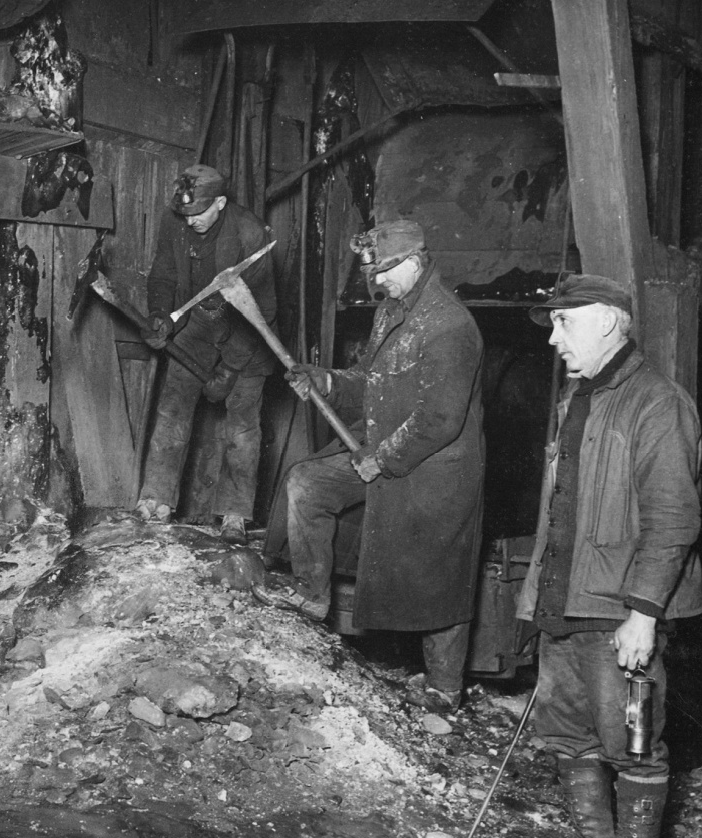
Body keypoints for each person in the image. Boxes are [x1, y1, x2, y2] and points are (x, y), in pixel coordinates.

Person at [514, 275, 702, 838]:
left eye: (564, 324)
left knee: (634, 744)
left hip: (618, 609)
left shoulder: (657, 402)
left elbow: (674, 518)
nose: (554, 341)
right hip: (564, 602)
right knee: (570, 736)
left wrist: (644, 613)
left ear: (606, 320)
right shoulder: (580, 397)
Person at [282, 219, 485, 714]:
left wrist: (382, 459)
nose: (378, 282)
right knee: (307, 483)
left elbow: (438, 420)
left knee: (439, 581)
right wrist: (327, 382)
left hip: (436, 469)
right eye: (374, 273)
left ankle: (443, 691)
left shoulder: (449, 325)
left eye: (386, 271)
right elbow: (370, 381)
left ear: (416, 261)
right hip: (384, 449)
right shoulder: (391, 312)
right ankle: (312, 596)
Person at [136, 164, 278, 542]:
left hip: (249, 336)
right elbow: (163, 273)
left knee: (242, 428)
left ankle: (234, 515)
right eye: (185, 213)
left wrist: (230, 368)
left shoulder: (251, 234)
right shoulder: (177, 221)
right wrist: (159, 316)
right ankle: (156, 502)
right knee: (171, 413)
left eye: (199, 213)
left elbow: (263, 311)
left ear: (220, 202)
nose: (191, 221)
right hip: (196, 327)